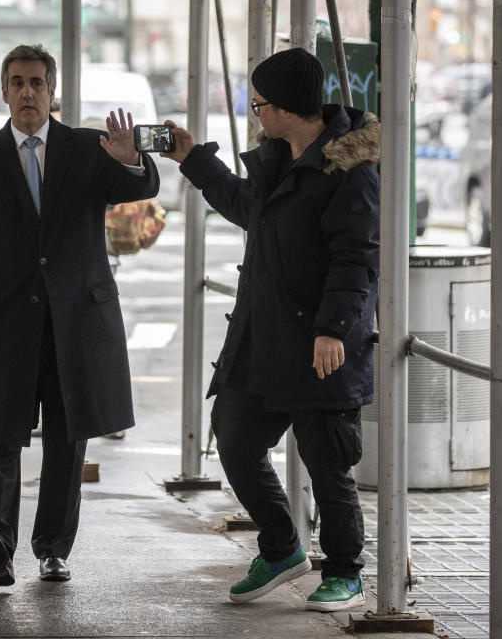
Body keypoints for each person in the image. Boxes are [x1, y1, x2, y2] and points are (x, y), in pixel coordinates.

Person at [161, 47, 380, 611]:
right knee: (233, 437)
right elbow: (243, 205)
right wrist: (192, 158)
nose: (255, 113)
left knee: (328, 461)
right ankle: (282, 547)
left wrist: (332, 328)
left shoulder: (348, 169)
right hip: (263, 336)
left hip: (320, 344)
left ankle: (345, 572)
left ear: (285, 108)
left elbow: (356, 258)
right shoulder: (277, 157)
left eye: (258, 104)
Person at [0, 43, 159, 585]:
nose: (27, 92)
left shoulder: (89, 148)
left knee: (67, 439)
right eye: (16, 83)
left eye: (37, 82)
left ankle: (53, 546)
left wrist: (131, 157)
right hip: (1, 326)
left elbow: (142, 187)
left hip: (75, 324)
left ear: (52, 91)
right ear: (4, 92)